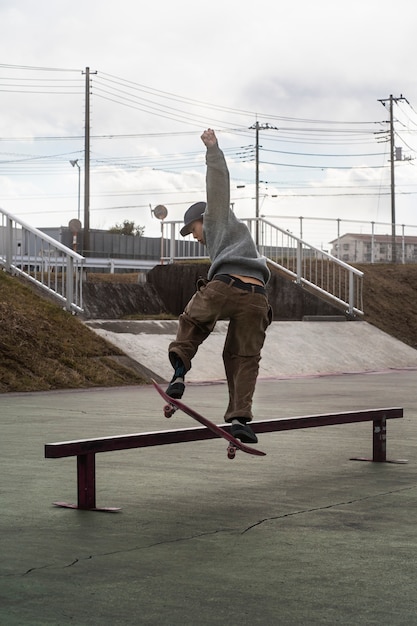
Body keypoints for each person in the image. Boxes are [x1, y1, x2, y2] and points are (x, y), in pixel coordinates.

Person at [166, 128, 272, 444]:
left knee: (192, 322)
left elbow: (218, 186)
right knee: (243, 357)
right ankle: (240, 418)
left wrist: (213, 150)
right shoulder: (227, 237)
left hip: (226, 286)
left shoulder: (216, 216)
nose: (195, 235)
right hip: (257, 299)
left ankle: (179, 374)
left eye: (193, 229)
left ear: (203, 218)